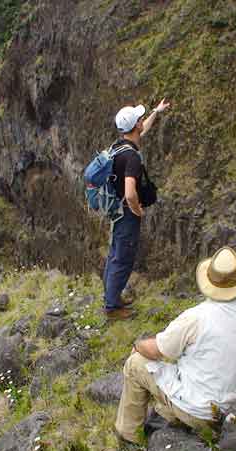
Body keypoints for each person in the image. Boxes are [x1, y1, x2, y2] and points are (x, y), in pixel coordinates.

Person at [115, 246, 236, 443]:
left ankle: (129, 435)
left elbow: (157, 350)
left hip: (204, 412)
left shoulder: (197, 317)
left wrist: (138, 344)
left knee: (135, 363)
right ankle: (169, 414)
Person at [103, 99, 170, 320]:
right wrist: (137, 211)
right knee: (123, 258)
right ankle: (112, 307)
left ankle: (111, 297)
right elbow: (131, 192)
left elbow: (143, 130)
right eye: (140, 119)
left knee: (115, 253)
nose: (142, 122)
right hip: (127, 212)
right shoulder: (131, 157)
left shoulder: (119, 146)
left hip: (116, 209)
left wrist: (156, 112)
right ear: (135, 125)